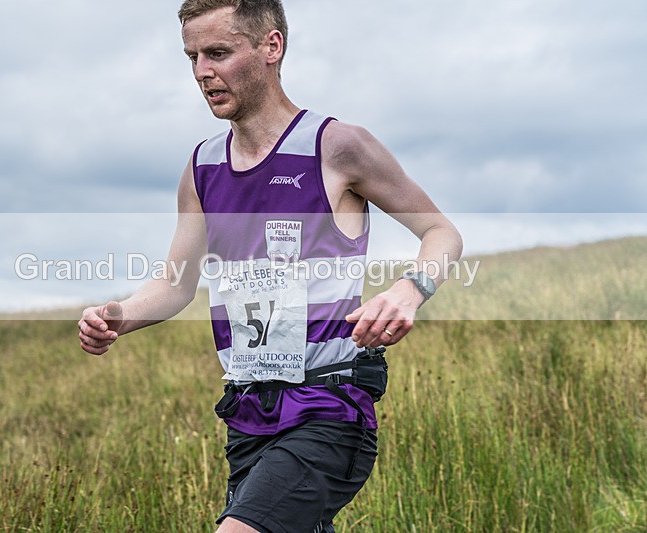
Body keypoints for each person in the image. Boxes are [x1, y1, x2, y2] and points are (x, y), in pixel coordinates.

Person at [78, 1, 463, 531]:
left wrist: (408, 290)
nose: (202, 73)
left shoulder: (335, 147)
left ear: (270, 47)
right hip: (247, 414)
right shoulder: (202, 168)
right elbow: (176, 284)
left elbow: (441, 233)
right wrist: (120, 315)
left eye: (218, 53)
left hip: (328, 407)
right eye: (191, 57)